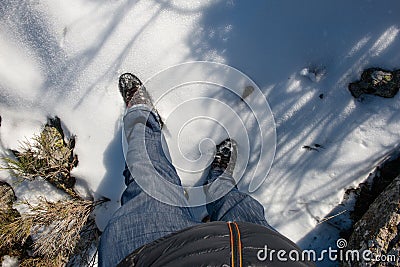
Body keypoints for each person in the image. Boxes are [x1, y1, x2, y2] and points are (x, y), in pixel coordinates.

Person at [98, 73, 315, 267]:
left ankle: (141, 117)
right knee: (236, 202)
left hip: (155, 254)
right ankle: (219, 179)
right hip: (262, 249)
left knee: (147, 175)